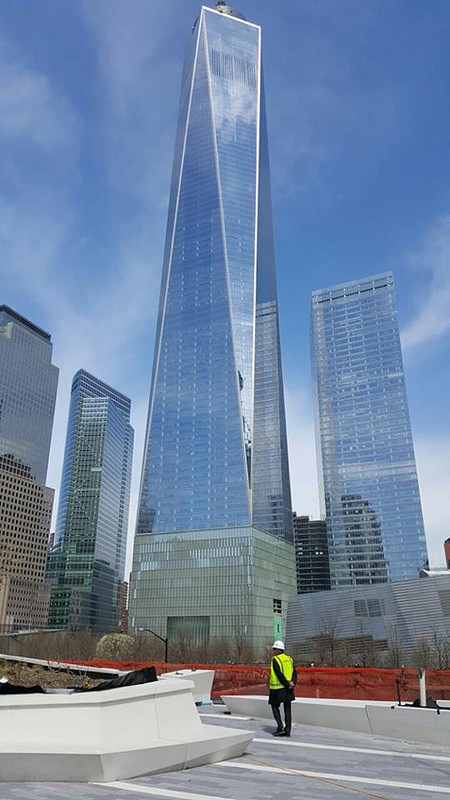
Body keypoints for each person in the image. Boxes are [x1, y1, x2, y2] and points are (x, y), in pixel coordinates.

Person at [268, 640, 296, 737]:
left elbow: (278, 674)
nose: (273, 650)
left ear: (279, 650)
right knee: (287, 709)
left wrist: (285, 683)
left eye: (274, 649)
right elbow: (294, 672)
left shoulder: (275, 659)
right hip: (289, 688)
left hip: (278, 688)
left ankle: (280, 727)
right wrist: (292, 683)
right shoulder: (290, 659)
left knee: (274, 707)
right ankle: (287, 730)